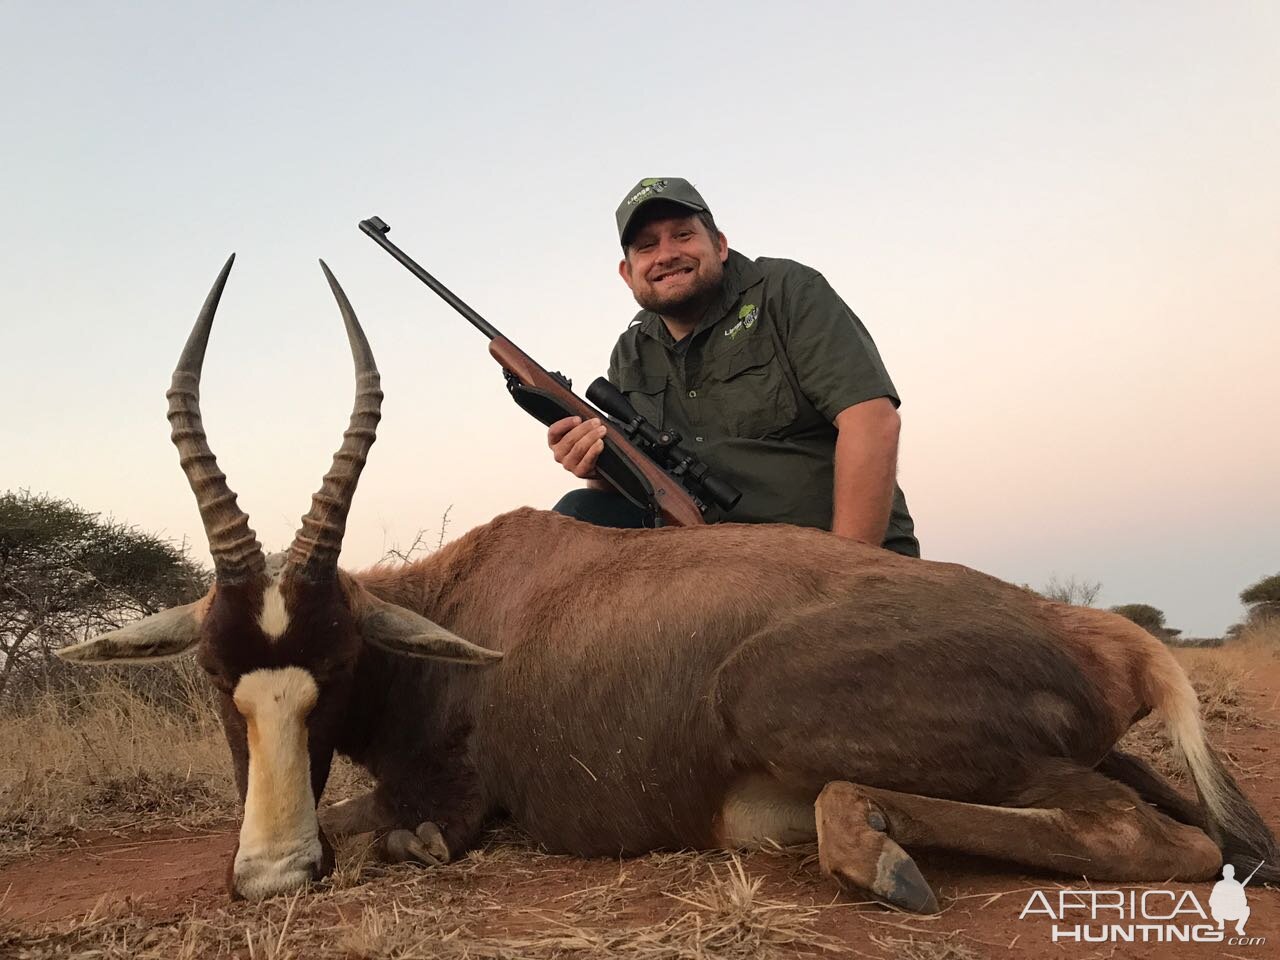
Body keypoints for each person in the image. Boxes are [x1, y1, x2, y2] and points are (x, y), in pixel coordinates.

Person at [548, 177, 919, 557]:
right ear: (628, 273)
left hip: (824, 553)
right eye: (646, 246)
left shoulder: (787, 290)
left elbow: (872, 421)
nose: (666, 255)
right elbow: (638, 489)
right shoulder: (630, 353)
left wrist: (848, 568)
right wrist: (597, 466)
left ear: (720, 246)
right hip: (717, 563)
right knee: (580, 510)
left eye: (683, 235)